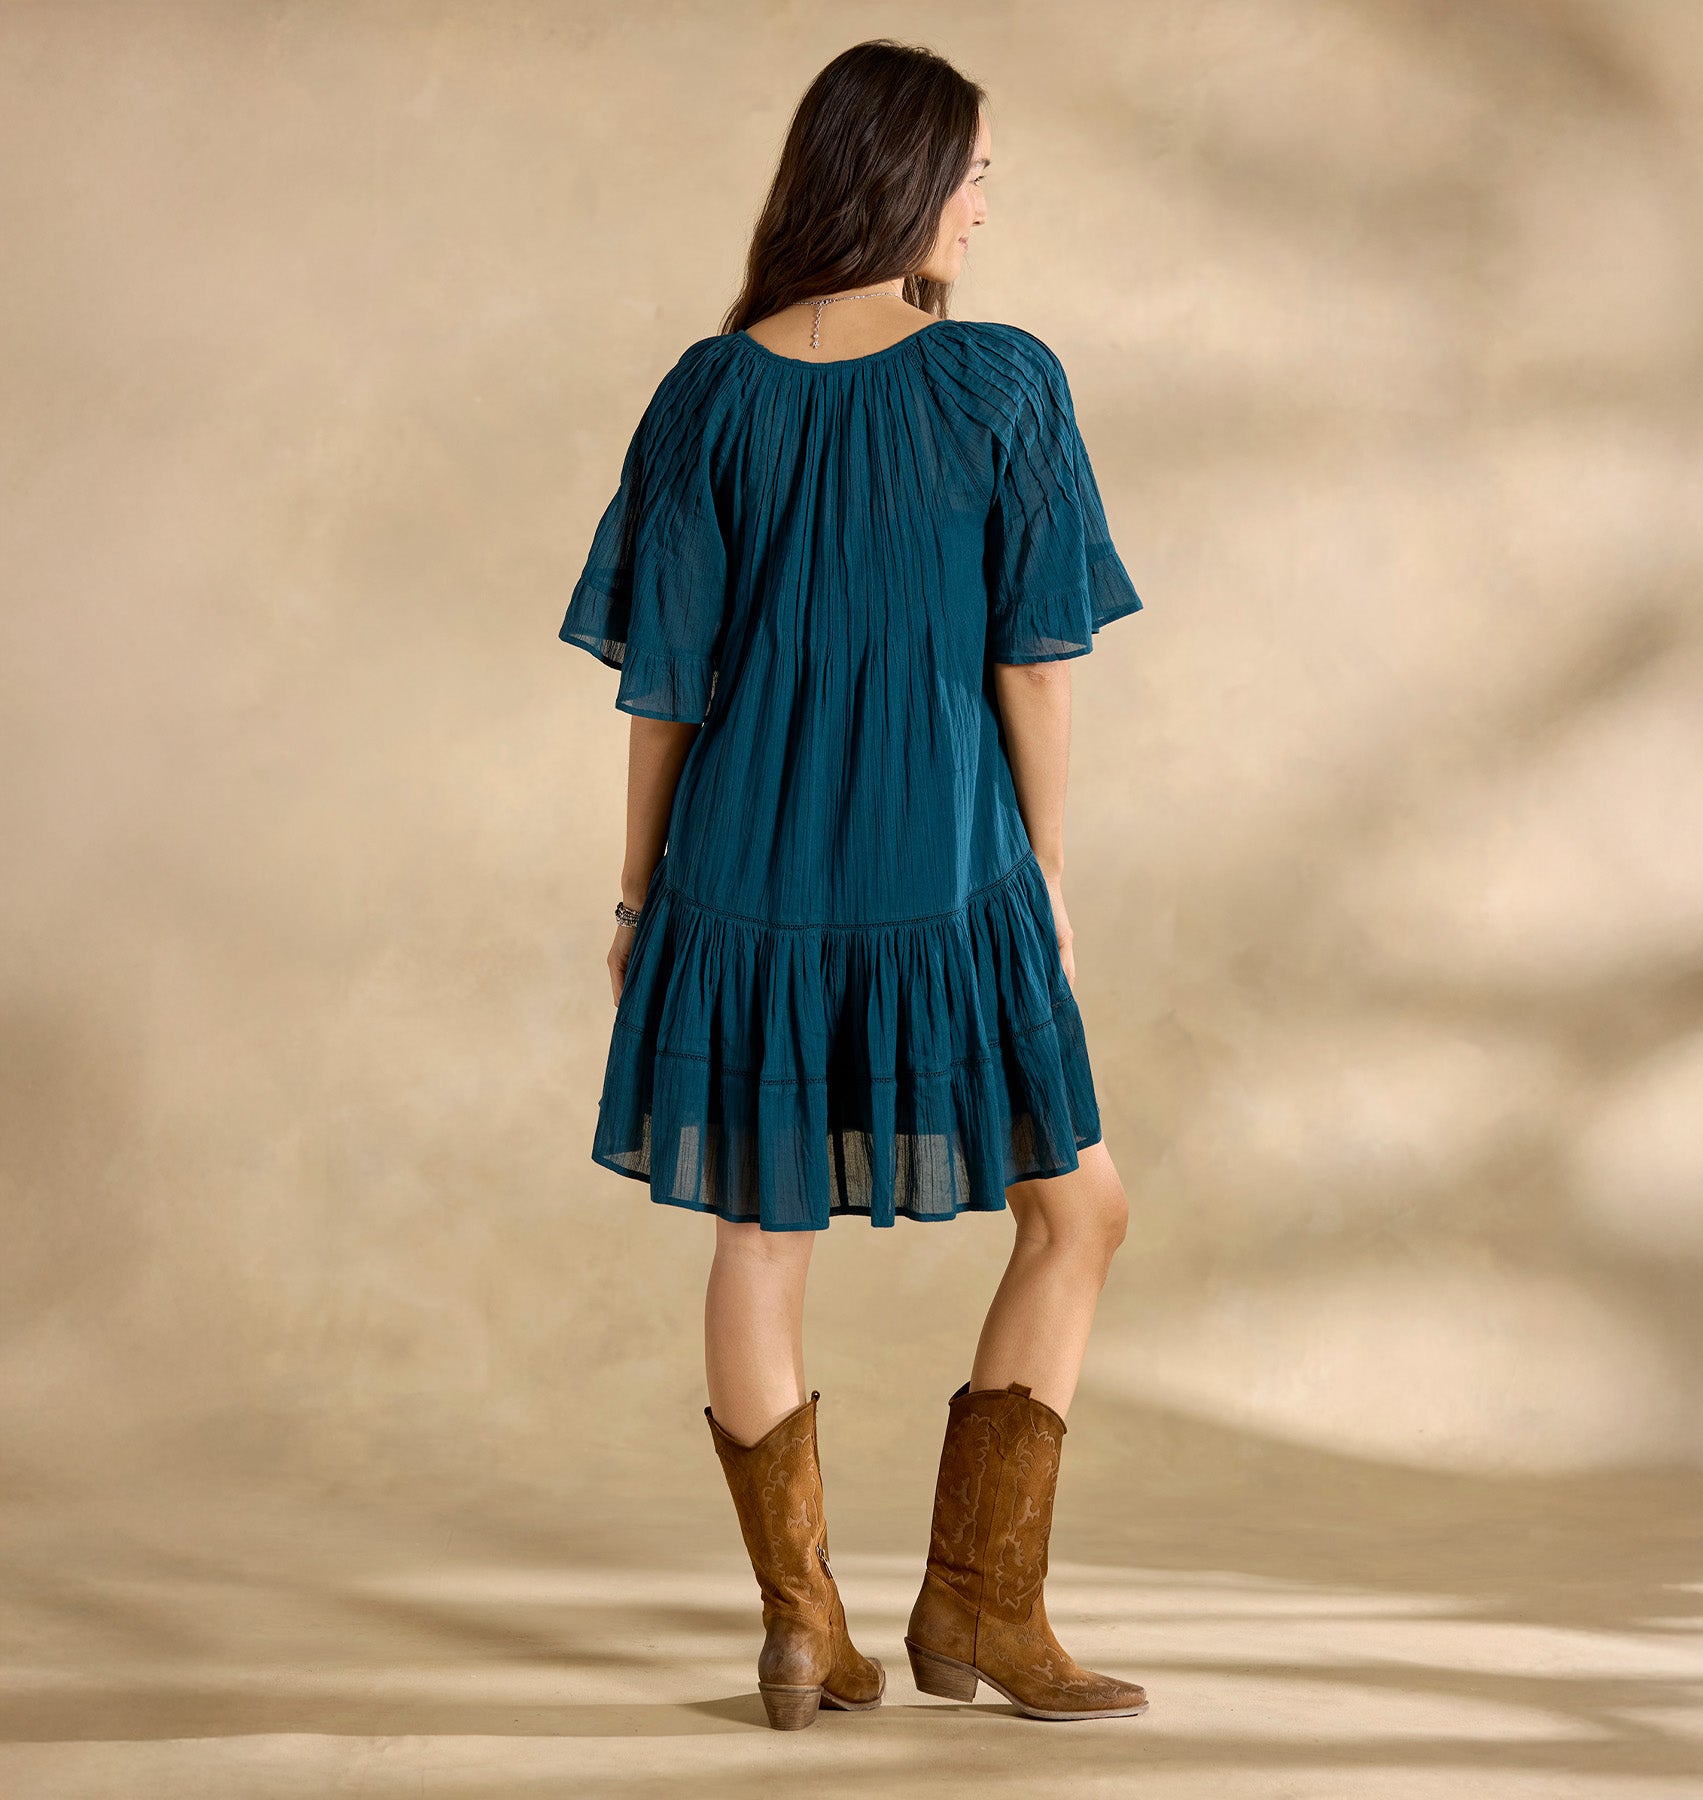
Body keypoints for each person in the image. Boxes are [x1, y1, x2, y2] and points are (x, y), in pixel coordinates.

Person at [559, 39, 1147, 1730]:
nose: (984, 204)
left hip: (738, 878)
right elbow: (1034, 661)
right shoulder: (1001, 381)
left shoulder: (706, 392)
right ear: (902, 179)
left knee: (759, 1238)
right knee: (1078, 1212)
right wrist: (1045, 876)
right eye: (973, 173)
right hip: (946, 871)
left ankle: (805, 1625)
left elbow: (663, 684)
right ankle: (982, 1609)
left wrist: (637, 899)